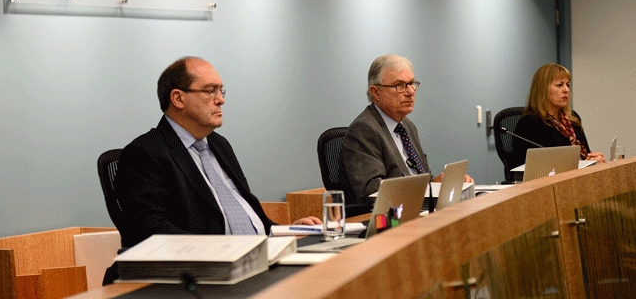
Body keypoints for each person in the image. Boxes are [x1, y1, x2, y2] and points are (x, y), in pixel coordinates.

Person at [114, 57, 320, 249]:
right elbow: (151, 232)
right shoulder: (144, 154)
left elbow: (243, 212)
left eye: (221, 91)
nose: (220, 100)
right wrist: (224, 253)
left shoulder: (219, 145)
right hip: (201, 273)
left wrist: (286, 231)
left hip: (257, 257)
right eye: (210, 91)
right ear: (178, 98)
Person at [341, 55, 473, 204]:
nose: (410, 91)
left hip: (420, 209)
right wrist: (427, 189)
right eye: (400, 85)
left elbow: (422, 176)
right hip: (391, 219)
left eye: (411, 83)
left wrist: (441, 183)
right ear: (376, 92)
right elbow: (373, 192)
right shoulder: (364, 130)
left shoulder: (407, 126)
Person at [512, 63, 605, 170]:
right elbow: (535, 168)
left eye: (568, 85)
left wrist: (594, 159)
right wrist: (583, 165)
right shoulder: (530, 123)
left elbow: (586, 153)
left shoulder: (573, 118)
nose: (566, 90)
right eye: (560, 85)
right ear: (543, 89)